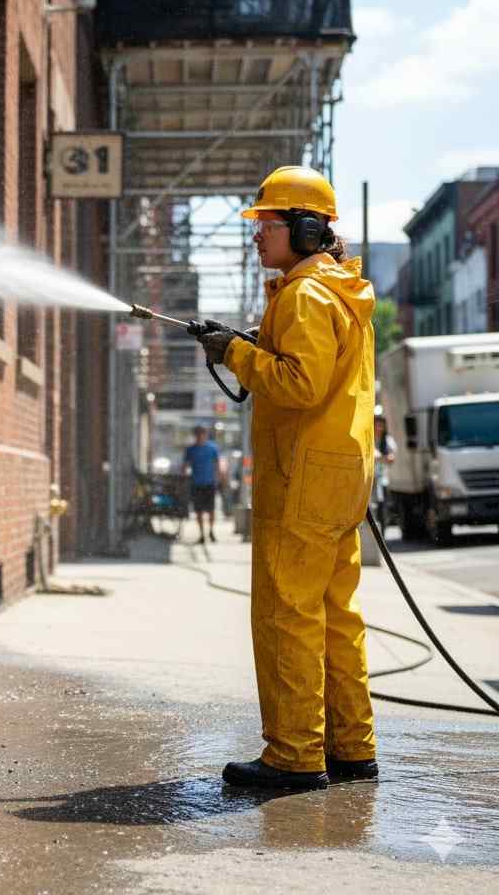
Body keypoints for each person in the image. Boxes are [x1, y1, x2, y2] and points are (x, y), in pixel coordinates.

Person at [197, 165, 378, 791]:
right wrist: (248, 345)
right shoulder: (337, 292)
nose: (256, 235)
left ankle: (295, 758)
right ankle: (351, 748)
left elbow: (299, 385)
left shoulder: (303, 295)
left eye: (266, 224)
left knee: (288, 616)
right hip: (341, 474)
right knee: (336, 616)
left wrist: (236, 353)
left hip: (301, 477)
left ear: (304, 229)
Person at [183, 425, 222, 543]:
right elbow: (185, 466)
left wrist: (218, 479)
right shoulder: (191, 450)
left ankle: (211, 531)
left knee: (211, 510)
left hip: (209, 483)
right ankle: (202, 534)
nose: (200, 436)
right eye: (198, 434)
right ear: (195, 436)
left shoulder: (212, 448)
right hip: (196, 484)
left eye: (202, 434)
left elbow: (217, 465)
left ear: (205, 435)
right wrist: (185, 476)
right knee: (198, 510)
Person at [373, 415, 397, 533]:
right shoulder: (369, 439)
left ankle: (382, 531)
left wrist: (379, 458)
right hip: (370, 479)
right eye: (376, 425)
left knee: (382, 506)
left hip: (382, 479)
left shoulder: (387, 440)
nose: (378, 428)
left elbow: (391, 458)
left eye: (381, 425)